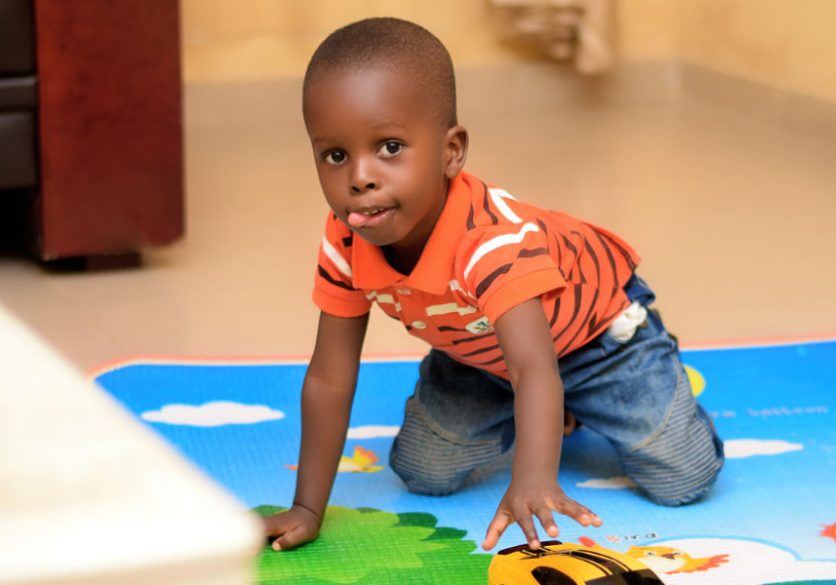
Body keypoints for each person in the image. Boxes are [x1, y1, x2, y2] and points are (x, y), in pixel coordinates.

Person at [262, 16, 724, 554]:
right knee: (422, 471)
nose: (359, 177)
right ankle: (552, 412)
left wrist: (533, 479)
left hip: (599, 340)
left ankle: (643, 386)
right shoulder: (345, 238)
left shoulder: (492, 242)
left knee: (684, 479)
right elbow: (329, 378)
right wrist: (307, 507)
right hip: (484, 356)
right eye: (335, 155)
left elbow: (536, 368)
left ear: (451, 151)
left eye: (389, 147)